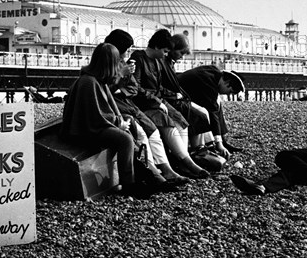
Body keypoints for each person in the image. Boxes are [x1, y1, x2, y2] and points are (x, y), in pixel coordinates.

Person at [60, 43, 156, 198]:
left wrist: (121, 121)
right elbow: (95, 116)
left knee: (129, 120)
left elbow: (101, 112)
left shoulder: (95, 80)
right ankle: (128, 184)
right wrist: (119, 123)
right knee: (124, 139)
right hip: (84, 131)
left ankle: (140, 173)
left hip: (92, 125)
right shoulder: (88, 82)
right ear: (110, 63)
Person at [104, 29, 189, 186]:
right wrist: (120, 78)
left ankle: (165, 170)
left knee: (153, 131)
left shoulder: (123, 62)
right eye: (127, 48)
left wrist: (121, 86)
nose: (129, 52)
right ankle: (155, 172)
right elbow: (102, 89)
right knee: (142, 133)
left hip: (127, 104)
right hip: (118, 106)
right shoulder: (110, 62)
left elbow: (133, 88)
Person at [130, 29, 210, 179]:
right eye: (165, 51)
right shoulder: (139, 58)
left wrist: (172, 95)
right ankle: (187, 163)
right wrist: (155, 101)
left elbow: (158, 87)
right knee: (167, 123)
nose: (166, 54)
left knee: (181, 121)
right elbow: (135, 87)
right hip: (145, 104)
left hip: (158, 100)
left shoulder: (158, 61)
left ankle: (185, 161)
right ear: (156, 47)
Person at [177, 65, 246, 159]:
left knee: (217, 103)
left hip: (189, 94)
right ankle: (210, 146)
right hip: (178, 96)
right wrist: (219, 144)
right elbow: (212, 113)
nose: (227, 94)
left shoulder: (214, 73)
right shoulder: (208, 83)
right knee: (207, 111)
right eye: (229, 91)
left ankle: (223, 141)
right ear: (227, 83)